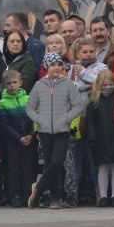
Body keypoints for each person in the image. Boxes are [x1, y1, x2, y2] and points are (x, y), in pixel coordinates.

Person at [26, 52, 84, 209]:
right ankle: (56, 198)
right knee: (50, 165)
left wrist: (66, 118)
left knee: (57, 161)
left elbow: (78, 105)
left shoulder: (68, 84)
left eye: (59, 64)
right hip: (44, 131)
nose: (57, 67)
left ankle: (38, 187)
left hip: (62, 131)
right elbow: (30, 107)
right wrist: (39, 121)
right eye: (53, 65)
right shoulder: (39, 85)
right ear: (46, 67)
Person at [0, 70, 36, 208]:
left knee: (28, 169)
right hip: (13, 142)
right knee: (14, 170)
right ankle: (15, 196)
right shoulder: (2, 103)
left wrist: (31, 134)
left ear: (20, 82)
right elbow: (4, 125)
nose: (12, 85)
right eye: (8, 83)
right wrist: (19, 138)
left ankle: (28, 196)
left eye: (14, 82)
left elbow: (34, 119)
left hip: (29, 140)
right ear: (4, 85)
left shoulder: (29, 99)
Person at [86, 70, 114, 207]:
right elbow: (91, 122)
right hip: (101, 139)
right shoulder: (94, 102)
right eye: (104, 85)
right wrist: (91, 138)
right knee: (103, 167)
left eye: (110, 84)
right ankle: (103, 196)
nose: (108, 88)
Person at [1, 30, 36, 95]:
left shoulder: (28, 61)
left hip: (18, 101)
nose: (16, 44)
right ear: (6, 44)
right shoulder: (0, 59)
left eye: (19, 41)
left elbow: (23, 86)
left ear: (23, 44)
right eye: (12, 41)